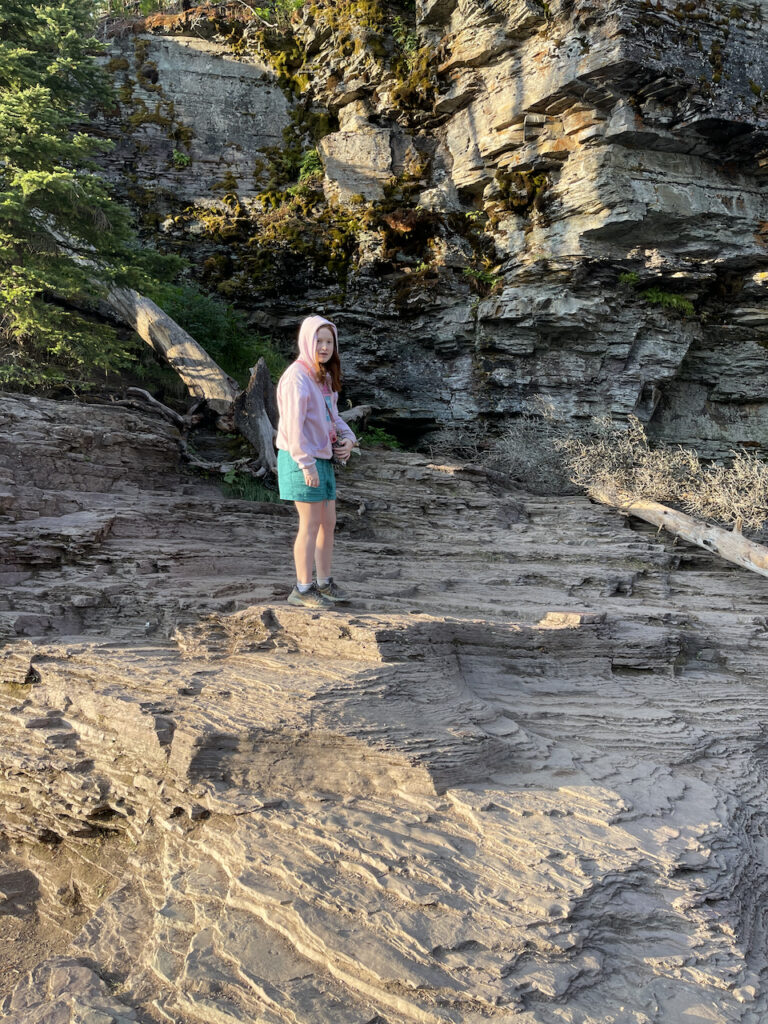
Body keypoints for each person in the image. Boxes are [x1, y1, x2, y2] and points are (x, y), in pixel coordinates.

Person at [275, 315, 356, 608]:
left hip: (322, 458)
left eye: (329, 342)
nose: (324, 347)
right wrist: (305, 464)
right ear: (307, 341)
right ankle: (302, 588)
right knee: (309, 525)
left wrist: (349, 441)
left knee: (328, 523)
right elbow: (293, 427)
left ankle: (324, 583)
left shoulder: (322, 376)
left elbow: (333, 417)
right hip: (301, 459)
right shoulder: (296, 377)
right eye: (318, 341)